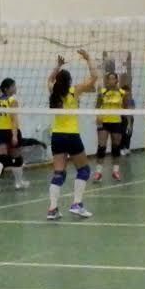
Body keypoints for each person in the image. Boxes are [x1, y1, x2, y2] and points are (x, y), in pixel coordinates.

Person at [46, 52, 97, 220]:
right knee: (84, 170)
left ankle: (52, 209)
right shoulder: (74, 92)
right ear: (69, 81)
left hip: (57, 136)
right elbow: (94, 77)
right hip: (72, 136)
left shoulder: (53, 92)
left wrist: (57, 66)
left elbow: (49, 80)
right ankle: (76, 204)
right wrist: (88, 59)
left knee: (59, 173)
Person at [0, 78, 29, 192]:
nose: (15, 88)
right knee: (16, 157)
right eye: (13, 86)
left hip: (0, 131)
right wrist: (14, 135)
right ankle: (18, 183)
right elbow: (14, 119)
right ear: (7, 89)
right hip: (10, 130)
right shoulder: (12, 100)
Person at [93, 72, 126, 182]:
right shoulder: (102, 92)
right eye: (109, 79)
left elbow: (126, 108)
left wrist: (127, 122)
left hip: (116, 122)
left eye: (113, 79)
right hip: (104, 122)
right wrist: (98, 116)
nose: (111, 81)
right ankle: (98, 173)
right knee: (101, 147)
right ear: (107, 81)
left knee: (116, 147)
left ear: (116, 80)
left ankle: (115, 171)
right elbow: (97, 106)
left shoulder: (122, 93)